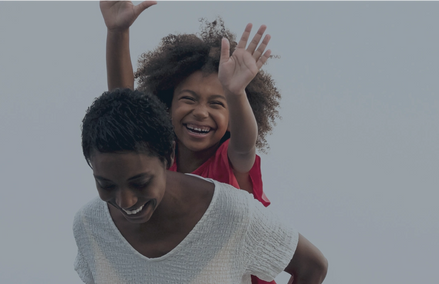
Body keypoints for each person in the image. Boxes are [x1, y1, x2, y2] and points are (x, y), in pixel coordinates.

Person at [73, 89, 328, 283]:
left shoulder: (231, 213)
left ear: (168, 157)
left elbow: (312, 267)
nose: (125, 201)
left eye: (140, 182)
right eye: (105, 184)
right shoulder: (89, 224)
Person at [99, 0, 281, 211]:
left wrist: (235, 93)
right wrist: (117, 32)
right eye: (189, 99)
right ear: (166, 106)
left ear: (232, 119)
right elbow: (124, 108)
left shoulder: (229, 161)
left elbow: (245, 145)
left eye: (216, 104)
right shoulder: (156, 156)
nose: (201, 113)